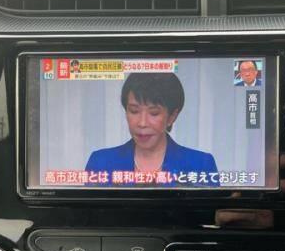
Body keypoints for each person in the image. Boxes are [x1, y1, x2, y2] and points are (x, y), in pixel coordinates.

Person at [85, 72, 219, 186]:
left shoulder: (201, 164)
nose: (142, 123)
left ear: (172, 116)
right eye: (134, 111)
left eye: (154, 113)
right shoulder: (100, 162)